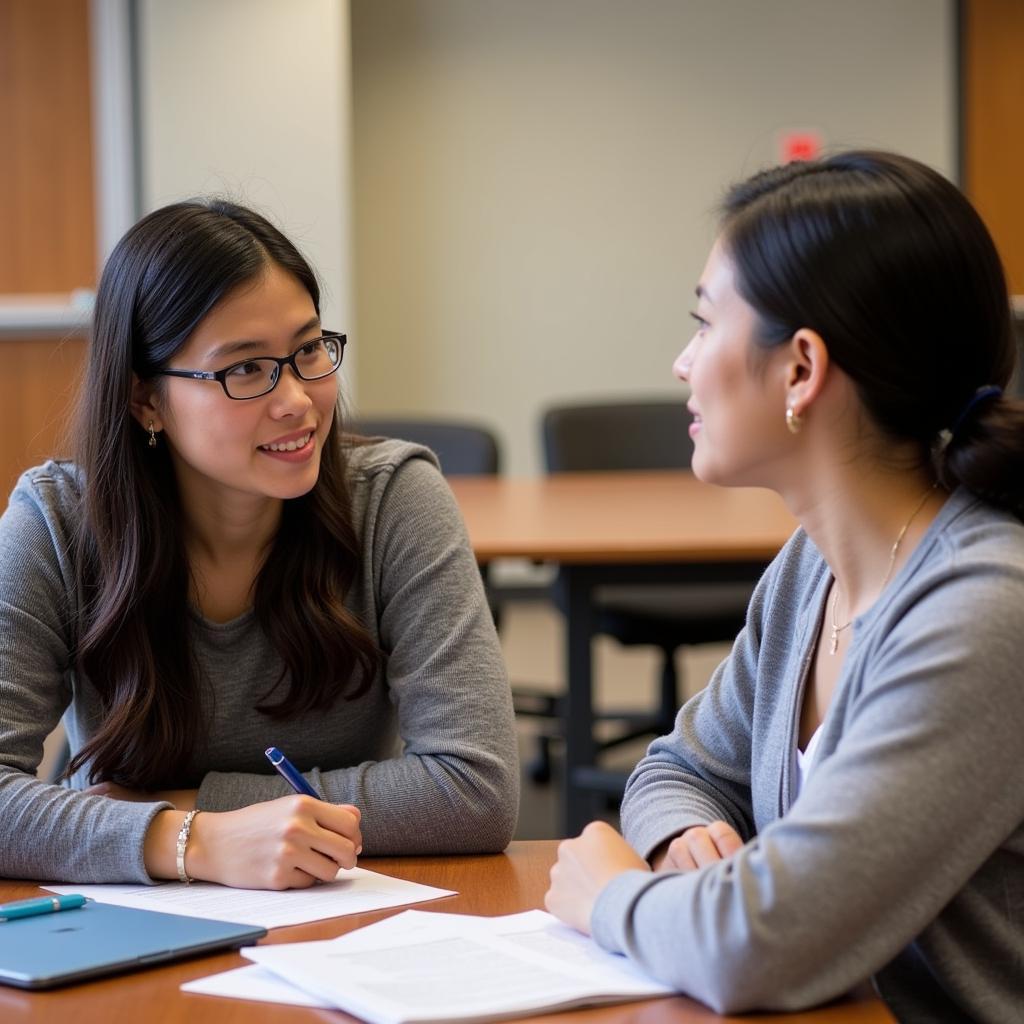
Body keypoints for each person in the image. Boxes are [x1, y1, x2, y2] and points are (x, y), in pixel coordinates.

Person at [544, 151, 1024, 1022]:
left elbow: (760, 945)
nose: (683, 363)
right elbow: (677, 767)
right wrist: (684, 839)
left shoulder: (983, 607)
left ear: (801, 369)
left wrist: (611, 895)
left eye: (704, 323)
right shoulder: (812, 566)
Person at [0, 200, 519, 889]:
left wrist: (196, 810)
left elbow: (475, 790)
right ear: (145, 400)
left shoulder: (394, 499)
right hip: (127, 922)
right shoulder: (58, 523)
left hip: (336, 927)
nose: (299, 400)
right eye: (245, 370)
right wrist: (193, 844)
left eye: (308, 351)